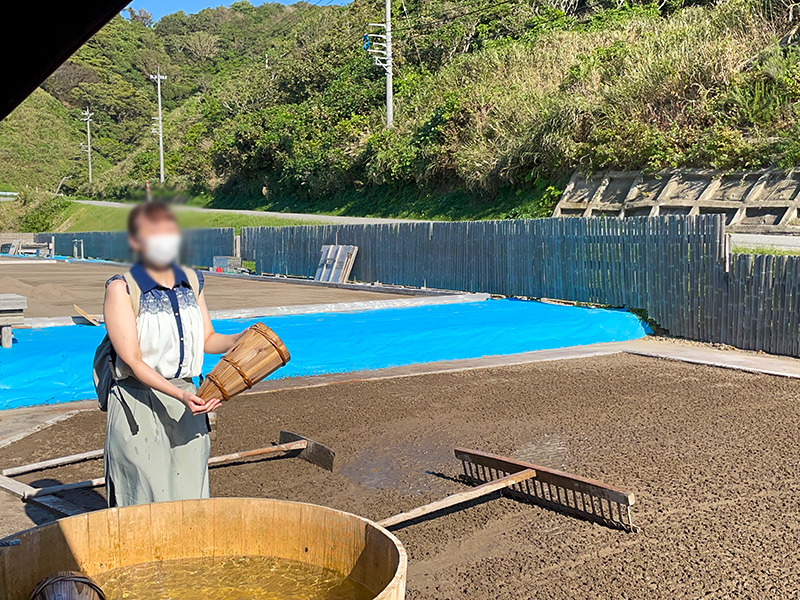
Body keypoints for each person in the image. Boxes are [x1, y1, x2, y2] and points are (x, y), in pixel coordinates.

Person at [103, 202, 247, 507]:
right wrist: (180, 396)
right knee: (146, 493)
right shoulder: (123, 288)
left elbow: (207, 338)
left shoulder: (192, 281)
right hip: (138, 399)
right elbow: (132, 360)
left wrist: (242, 338)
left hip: (187, 396)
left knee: (190, 487)